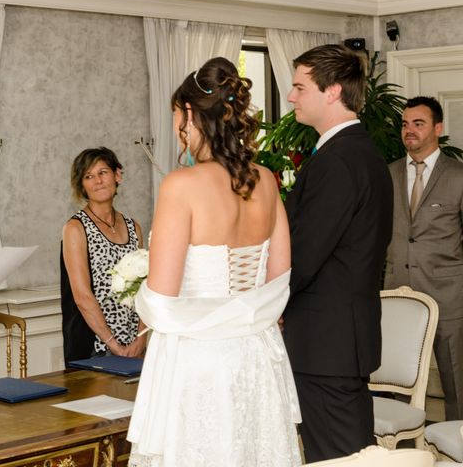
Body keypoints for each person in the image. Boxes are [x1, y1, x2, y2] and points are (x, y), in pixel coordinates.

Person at [127, 57, 301, 466]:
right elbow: (279, 282)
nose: (175, 128)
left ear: (189, 114)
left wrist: (140, 302)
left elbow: (163, 298)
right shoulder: (266, 181)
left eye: (175, 116)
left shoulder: (181, 186)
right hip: (256, 354)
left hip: (198, 361)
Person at [282, 44, 393, 462]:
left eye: (298, 87)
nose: (291, 97)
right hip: (338, 340)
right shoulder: (360, 152)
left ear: (331, 91)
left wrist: (264, 304)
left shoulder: (339, 160)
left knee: (337, 459)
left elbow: (305, 254)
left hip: (325, 344)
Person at [385, 96, 463, 420]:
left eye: (418, 123)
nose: (409, 131)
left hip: (448, 297)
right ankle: (400, 452)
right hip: (397, 294)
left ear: (438, 128)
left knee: (456, 384)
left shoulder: (458, 176)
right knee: (394, 384)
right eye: (405, 124)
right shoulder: (387, 174)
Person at [61, 147, 146, 363]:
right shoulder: (75, 228)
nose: (97, 181)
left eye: (103, 172)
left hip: (134, 342)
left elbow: (145, 287)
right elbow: (82, 296)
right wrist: (113, 344)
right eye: (89, 176)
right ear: (82, 185)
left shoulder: (133, 227)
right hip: (94, 344)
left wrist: (141, 336)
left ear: (117, 175)